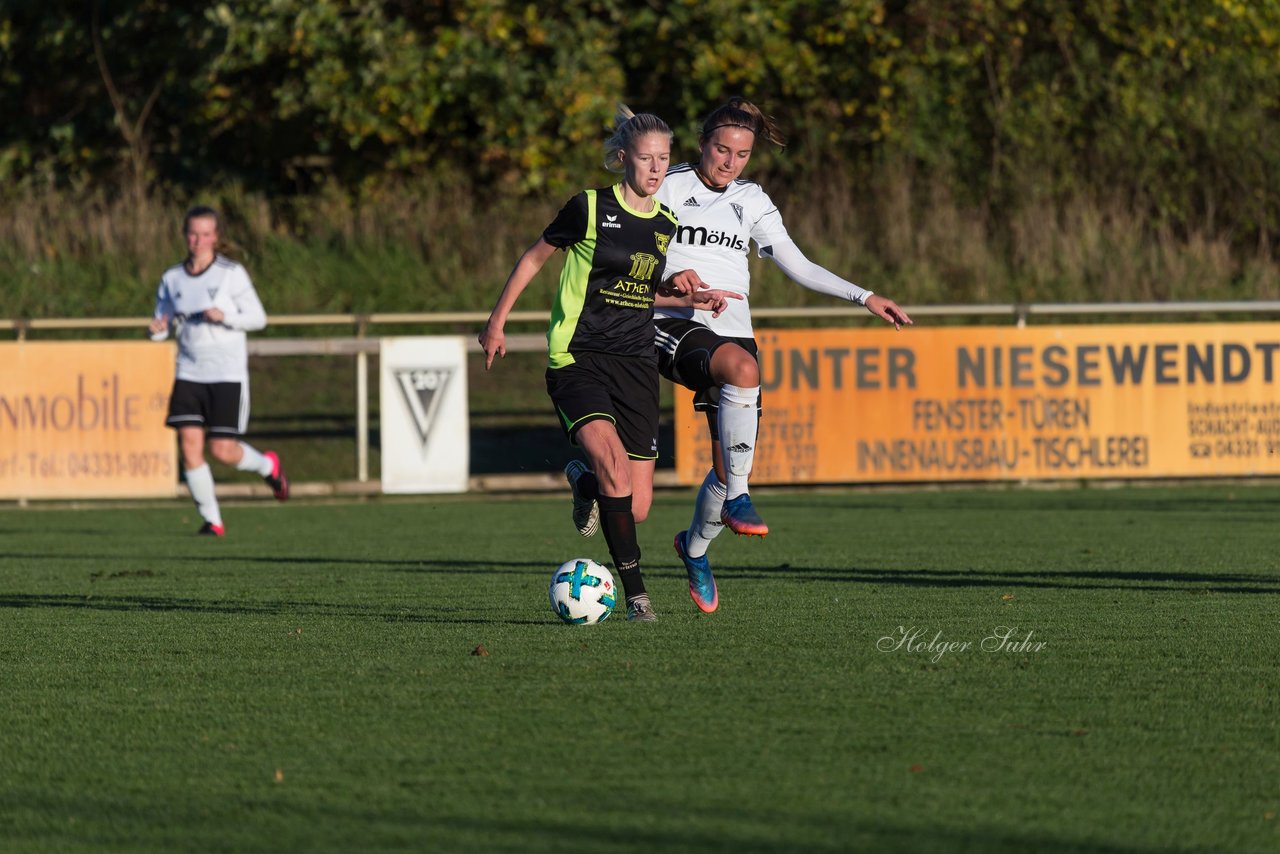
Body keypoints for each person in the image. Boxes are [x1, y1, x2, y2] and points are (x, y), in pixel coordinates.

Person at [654, 97, 912, 613]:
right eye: (722, 150)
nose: (730, 162)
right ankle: (741, 500)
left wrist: (865, 296)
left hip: (733, 332)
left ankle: (695, 549)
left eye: (742, 154)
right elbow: (629, 258)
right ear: (702, 143)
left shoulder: (751, 199)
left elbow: (799, 264)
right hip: (675, 322)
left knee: (726, 469)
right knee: (744, 378)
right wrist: (671, 284)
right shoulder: (668, 186)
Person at [478, 106, 735, 622]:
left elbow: (640, 295)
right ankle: (639, 598)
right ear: (623, 159)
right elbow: (533, 257)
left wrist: (687, 299)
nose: (657, 168)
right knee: (617, 473)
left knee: (635, 506)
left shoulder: (665, 223)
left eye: (664, 159)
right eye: (646, 158)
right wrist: (496, 322)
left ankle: (584, 482)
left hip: (637, 362)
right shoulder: (589, 208)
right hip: (578, 357)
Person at [148, 205, 290, 536]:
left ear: (216, 237)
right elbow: (161, 325)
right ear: (185, 235)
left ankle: (269, 466)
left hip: (226, 373)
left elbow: (259, 318)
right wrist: (155, 329)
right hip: (189, 372)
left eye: (206, 234)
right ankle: (213, 521)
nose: (198, 240)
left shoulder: (230, 273)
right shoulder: (172, 278)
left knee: (222, 449)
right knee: (189, 444)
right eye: (193, 234)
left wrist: (224, 317)